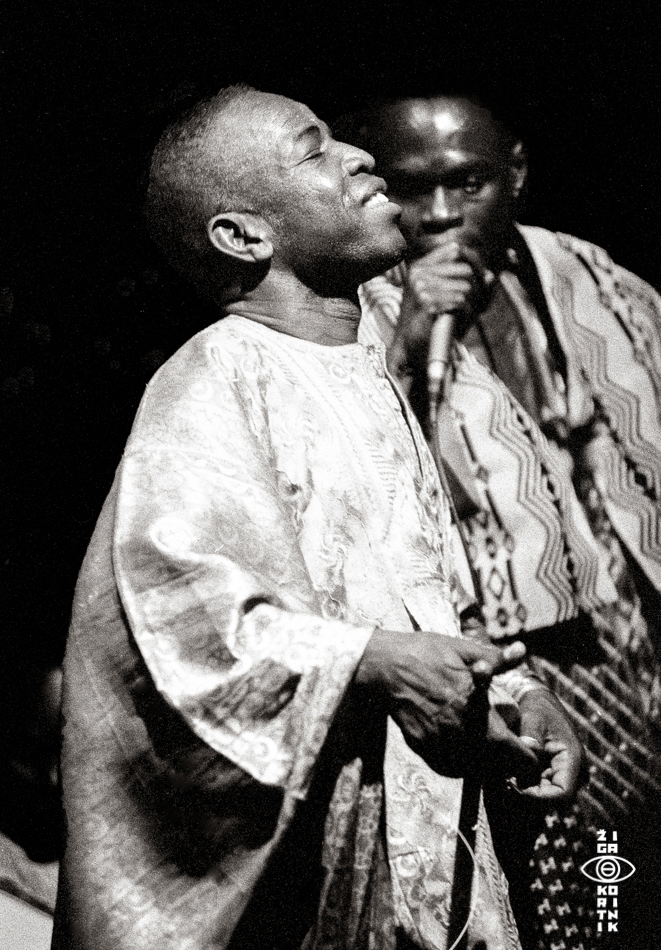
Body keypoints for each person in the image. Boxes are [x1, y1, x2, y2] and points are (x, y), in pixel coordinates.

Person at [53, 85, 583, 950]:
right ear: (244, 235)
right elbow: (180, 627)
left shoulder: (361, 373)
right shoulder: (217, 377)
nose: (359, 157)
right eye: (313, 150)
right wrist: (374, 665)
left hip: (414, 847)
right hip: (308, 889)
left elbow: (417, 599)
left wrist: (512, 692)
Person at [352, 93, 661, 949]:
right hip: (525, 655)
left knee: (645, 868)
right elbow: (360, 482)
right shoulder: (363, 311)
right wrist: (410, 336)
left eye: (469, 182)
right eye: (411, 189)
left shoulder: (583, 275)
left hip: (638, 628)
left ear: (515, 175)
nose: (441, 213)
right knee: (585, 891)